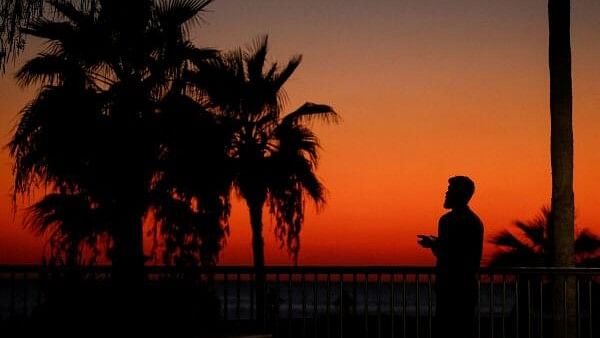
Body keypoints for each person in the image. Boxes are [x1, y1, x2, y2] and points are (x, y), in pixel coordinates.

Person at [417, 176, 484, 338]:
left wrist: (434, 245)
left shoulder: (448, 221)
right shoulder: (474, 221)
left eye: (450, 190)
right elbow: (462, 250)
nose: (446, 193)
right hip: (465, 287)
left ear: (460, 194)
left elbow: (451, 253)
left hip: (452, 287)